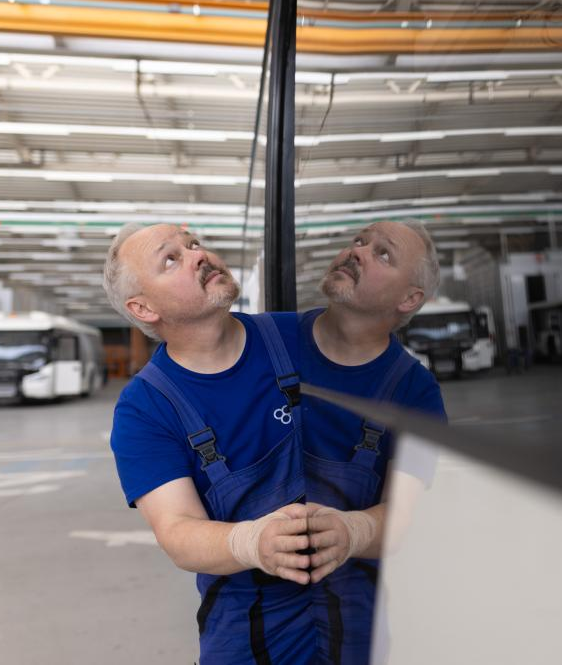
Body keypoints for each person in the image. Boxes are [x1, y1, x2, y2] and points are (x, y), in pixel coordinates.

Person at [103, 220, 443, 664]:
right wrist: (250, 541)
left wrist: (354, 530)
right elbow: (177, 531)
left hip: (363, 632)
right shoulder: (145, 406)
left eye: (194, 243)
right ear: (144, 308)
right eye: (171, 259)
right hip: (244, 641)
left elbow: (413, 517)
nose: (199, 255)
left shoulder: (297, 338)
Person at [296, 219, 446, 665]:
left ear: (409, 299)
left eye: (383, 253)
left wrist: (351, 530)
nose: (356, 251)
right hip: (248, 617)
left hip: (352, 620)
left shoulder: (416, 393)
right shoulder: (266, 340)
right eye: (359, 241)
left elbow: (401, 517)